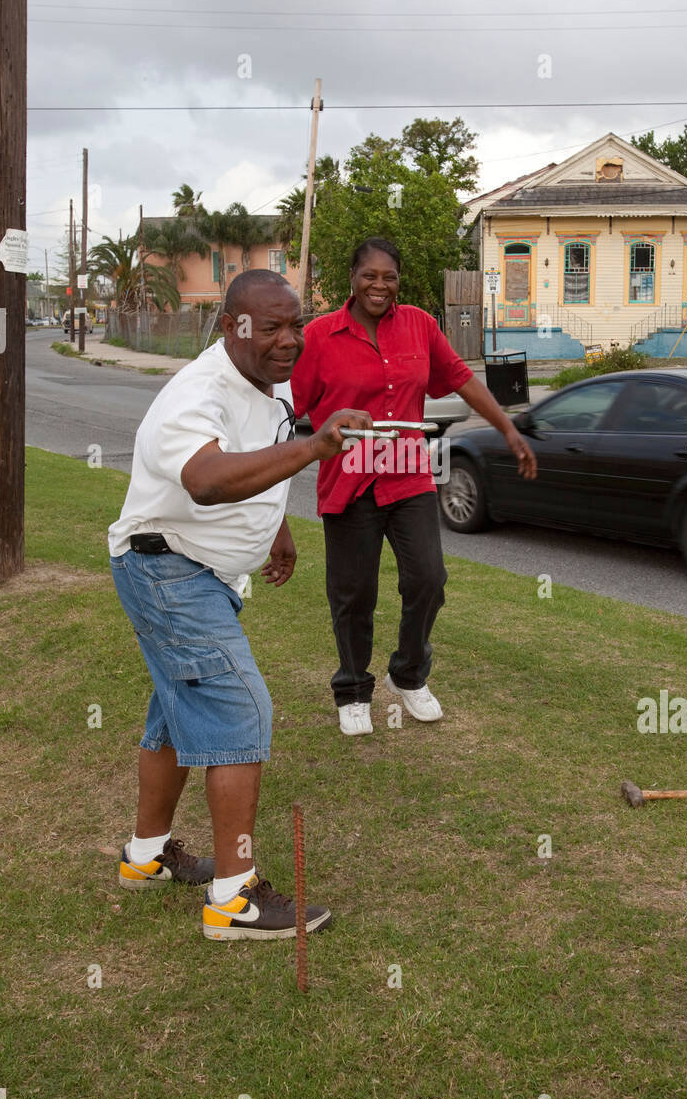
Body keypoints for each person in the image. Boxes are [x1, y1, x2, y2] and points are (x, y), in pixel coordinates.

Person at [108, 269, 371, 941]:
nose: (289, 341)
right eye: (271, 327)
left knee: (174, 712)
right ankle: (234, 899)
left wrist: (273, 526)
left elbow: (251, 459)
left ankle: (145, 858)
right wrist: (315, 446)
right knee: (240, 711)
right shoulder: (194, 394)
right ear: (231, 326)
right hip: (168, 568)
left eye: (296, 325)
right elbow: (205, 478)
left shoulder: (266, 377)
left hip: (195, 569)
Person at [290, 236, 536, 736]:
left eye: (389, 277)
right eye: (370, 275)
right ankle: (353, 688)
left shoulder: (420, 326)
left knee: (428, 579)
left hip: (406, 471)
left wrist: (507, 427)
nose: (380, 285)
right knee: (354, 593)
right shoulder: (319, 336)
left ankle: (408, 674)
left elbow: (462, 378)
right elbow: (289, 410)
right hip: (349, 477)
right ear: (352, 279)